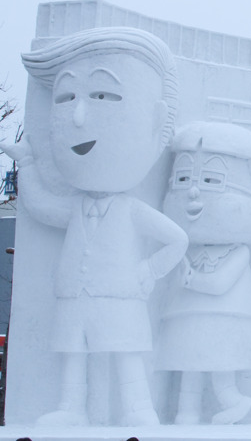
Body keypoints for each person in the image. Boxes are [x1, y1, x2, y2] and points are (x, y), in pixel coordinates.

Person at [0, 27, 189, 426]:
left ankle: (139, 409)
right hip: (76, 296)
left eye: (104, 96)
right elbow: (41, 207)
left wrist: (147, 271)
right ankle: (72, 408)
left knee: (126, 354)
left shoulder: (130, 209)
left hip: (120, 297)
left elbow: (177, 239)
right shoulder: (75, 207)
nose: (79, 115)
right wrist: (29, 165)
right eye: (66, 98)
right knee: (73, 353)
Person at [156, 121, 251, 424]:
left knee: (220, 366)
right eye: (183, 178)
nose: (193, 191)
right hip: (187, 315)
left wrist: (193, 280)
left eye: (212, 180)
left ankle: (234, 401)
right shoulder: (186, 248)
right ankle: (185, 412)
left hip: (225, 318)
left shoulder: (238, 252)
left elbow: (220, 283)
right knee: (188, 364)